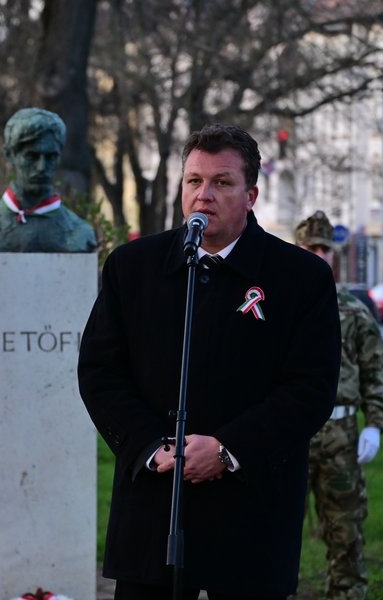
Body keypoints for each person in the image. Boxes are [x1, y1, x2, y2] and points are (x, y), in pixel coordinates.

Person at [78, 123, 341, 599]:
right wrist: (149, 446)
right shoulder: (132, 267)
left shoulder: (301, 278)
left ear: (251, 194)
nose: (204, 195)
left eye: (222, 182)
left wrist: (226, 449)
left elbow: (311, 387)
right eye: (194, 181)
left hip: (251, 513)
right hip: (155, 505)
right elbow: (100, 371)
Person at [295, 210, 383, 599]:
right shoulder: (275, 304)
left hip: (341, 434)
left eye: (325, 248)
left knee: (346, 531)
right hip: (291, 434)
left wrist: (375, 423)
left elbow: (374, 370)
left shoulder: (352, 310)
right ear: (298, 250)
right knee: (271, 532)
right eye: (310, 248)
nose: (319, 255)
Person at [0, 107, 98, 253]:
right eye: (31, 156)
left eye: (50, 157)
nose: (41, 167)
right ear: (10, 155)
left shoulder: (79, 233)